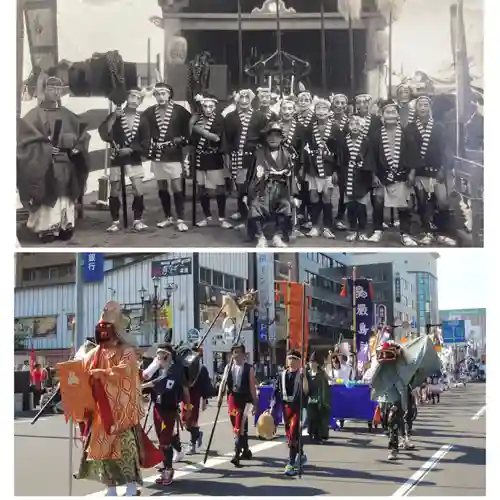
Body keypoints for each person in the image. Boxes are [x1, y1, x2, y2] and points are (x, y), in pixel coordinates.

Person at [75, 301, 143, 496]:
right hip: (99, 411)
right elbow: (81, 369)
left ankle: (131, 486)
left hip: (120, 411)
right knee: (103, 452)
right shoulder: (94, 353)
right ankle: (110, 487)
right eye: (101, 328)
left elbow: (127, 371)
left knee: (126, 450)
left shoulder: (126, 351)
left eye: (107, 328)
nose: (103, 332)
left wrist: (103, 373)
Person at [17, 75, 90, 243]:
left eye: (59, 89)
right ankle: (46, 228)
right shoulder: (33, 115)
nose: (56, 92)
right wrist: (46, 148)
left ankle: (65, 225)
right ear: (44, 91)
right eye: (51, 89)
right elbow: (25, 142)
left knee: (66, 195)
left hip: (66, 162)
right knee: (48, 194)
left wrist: (75, 147)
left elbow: (82, 136)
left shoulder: (68, 115)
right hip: (45, 165)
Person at [405, 95, 456, 246]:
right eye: (420, 105)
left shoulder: (438, 126)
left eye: (425, 105)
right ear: (416, 108)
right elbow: (410, 151)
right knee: (423, 202)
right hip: (420, 171)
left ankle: (443, 232)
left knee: (443, 202)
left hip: (436, 170)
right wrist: (412, 171)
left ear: (430, 108)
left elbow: (444, 149)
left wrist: (443, 168)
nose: (422, 108)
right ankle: (427, 231)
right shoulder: (411, 127)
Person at [140, 82, 191, 232]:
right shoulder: (149, 112)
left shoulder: (179, 110)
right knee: (161, 185)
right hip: (157, 153)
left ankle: (180, 218)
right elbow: (141, 127)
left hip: (173, 152)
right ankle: (168, 216)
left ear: (169, 95)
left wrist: (182, 139)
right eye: (157, 94)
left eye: (164, 94)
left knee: (176, 185)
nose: (161, 97)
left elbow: (190, 126)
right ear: (154, 96)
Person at [368, 100, 420, 246]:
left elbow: (413, 154)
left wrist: (412, 173)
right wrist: (373, 175)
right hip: (382, 174)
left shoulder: (406, 133)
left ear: (398, 115)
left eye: (393, 112)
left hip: (402, 174)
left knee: (404, 205)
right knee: (378, 201)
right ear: (382, 115)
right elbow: (371, 156)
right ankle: (377, 230)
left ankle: (405, 233)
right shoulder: (376, 135)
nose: (390, 115)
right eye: (387, 112)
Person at [141, 343, 192, 486]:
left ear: (168, 355)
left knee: (164, 441)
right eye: (157, 353)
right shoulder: (156, 368)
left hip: (169, 410)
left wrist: (188, 407)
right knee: (162, 438)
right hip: (157, 407)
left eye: (161, 353)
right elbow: (147, 378)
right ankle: (170, 458)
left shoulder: (175, 370)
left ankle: (168, 470)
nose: (158, 356)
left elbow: (163, 383)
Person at [98, 88, 148, 233]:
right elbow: (103, 133)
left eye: (138, 98)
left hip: (133, 157)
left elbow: (146, 141)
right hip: (118, 156)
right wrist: (113, 117)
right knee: (114, 190)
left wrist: (132, 149)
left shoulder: (142, 119)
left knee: (138, 189)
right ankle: (115, 221)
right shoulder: (116, 115)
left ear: (140, 102)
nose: (134, 99)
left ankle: (137, 220)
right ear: (127, 97)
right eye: (132, 96)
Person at [244, 122, 298, 248]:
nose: (273, 139)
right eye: (270, 136)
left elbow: (291, 176)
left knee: (285, 205)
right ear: (266, 138)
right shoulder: (259, 153)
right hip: (262, 188)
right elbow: (252, 174)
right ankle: (261, 236)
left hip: (281, 188)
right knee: (255, 205)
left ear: (281, 138)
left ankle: (277, 236)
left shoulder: (287, 154)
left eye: (277, 136)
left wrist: (294, 195)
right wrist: (247, 193)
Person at [222, 89, 268, 230]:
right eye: (241, 97)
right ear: (237, 99)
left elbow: (265, 137)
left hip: (255, 158)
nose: (243, 100)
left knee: (255, 188)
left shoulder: (260, 116)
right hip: (238, 157)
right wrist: (227, 157)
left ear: (251, 99)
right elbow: (227, 139)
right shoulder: (230, 117)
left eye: (246, 97)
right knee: (241, 188)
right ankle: (243, 216)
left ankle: (256, 217)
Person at [189, 94, 232, 229]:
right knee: (202, 190)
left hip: (214, 158)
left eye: (211, 106)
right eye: (205, 106)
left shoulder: (220, 119)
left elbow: (217, 138)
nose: (208, 109)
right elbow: (191, 140)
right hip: (200, 158)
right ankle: (207, 217)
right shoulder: (197, 119)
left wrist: (199, 129)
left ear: (215, 106)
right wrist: (192, 124)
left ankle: (221, 218)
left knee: (219, 189)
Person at [303, 98, 343, 239]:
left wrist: (337, 170)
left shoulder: (335, 127)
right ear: (314, 111)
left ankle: (327, 226)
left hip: (329, 166)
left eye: (324, 109)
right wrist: (305, 166)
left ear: (329, 111)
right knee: (313, 197)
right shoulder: (309, 128)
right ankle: (314, 226)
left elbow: (340, 150)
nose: (321, 112)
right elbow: (305, 148)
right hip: (313, 166)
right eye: (318, 108)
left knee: (327, 196)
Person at [217, 344, 258, 467]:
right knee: (237, 425)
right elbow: (223, 382)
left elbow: (252, 386)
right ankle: (245, 450)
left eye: (239, 352)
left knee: (239, 426)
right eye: (235, 352)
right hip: (233, 399)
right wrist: (220, 397)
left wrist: (255, 403)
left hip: (245, 400)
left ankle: (236, 454)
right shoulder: (228, 367)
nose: (237, 355)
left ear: (244, 354)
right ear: (232, 354)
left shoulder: (248, 368)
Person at [273, 349, 309, 476]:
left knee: (293, 435)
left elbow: (306, 391)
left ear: (299, 361)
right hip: (286, 408)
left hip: (298, 408)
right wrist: (272, 407)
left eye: (294, 358)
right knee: (291, 436)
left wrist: (304, 377)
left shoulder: (301, 374)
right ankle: (301, 455)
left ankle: (291, 463)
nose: (291, 361)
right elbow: (276, 391)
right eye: (289, 358)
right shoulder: (282, 374)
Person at [340, 114, 374, 242]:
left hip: (362, 175)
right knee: (350, 205)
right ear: (348, 126)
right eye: (352, 124)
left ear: (363, 127)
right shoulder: (344, 141)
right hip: (347, 174)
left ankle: (363, 230)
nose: (355, 127)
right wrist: (338, 173)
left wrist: (367, 169)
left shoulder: (366, 141)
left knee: (361, 206)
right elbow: (341, 158)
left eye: (358, 124)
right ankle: (352, 229)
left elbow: (370, 159)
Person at [181, 346, 213, 454]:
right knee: (184, 421)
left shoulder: (201, 368)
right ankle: (198, 434)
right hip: (185, 396)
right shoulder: (184, 365)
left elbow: (205, 385)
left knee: (192, 420)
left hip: (194, 396)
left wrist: (204, 400)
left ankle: (192, 444)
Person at [306, 352, 330, 442]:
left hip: (320, 398)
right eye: (310, 362)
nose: (311, 364)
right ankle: (312, 433)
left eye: (313, 362)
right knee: (311, 417)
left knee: (319, 418)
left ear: (317, 363)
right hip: (310, 399)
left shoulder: (321, 374)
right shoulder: (307, 374)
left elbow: (325, 386)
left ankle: (319, 436)